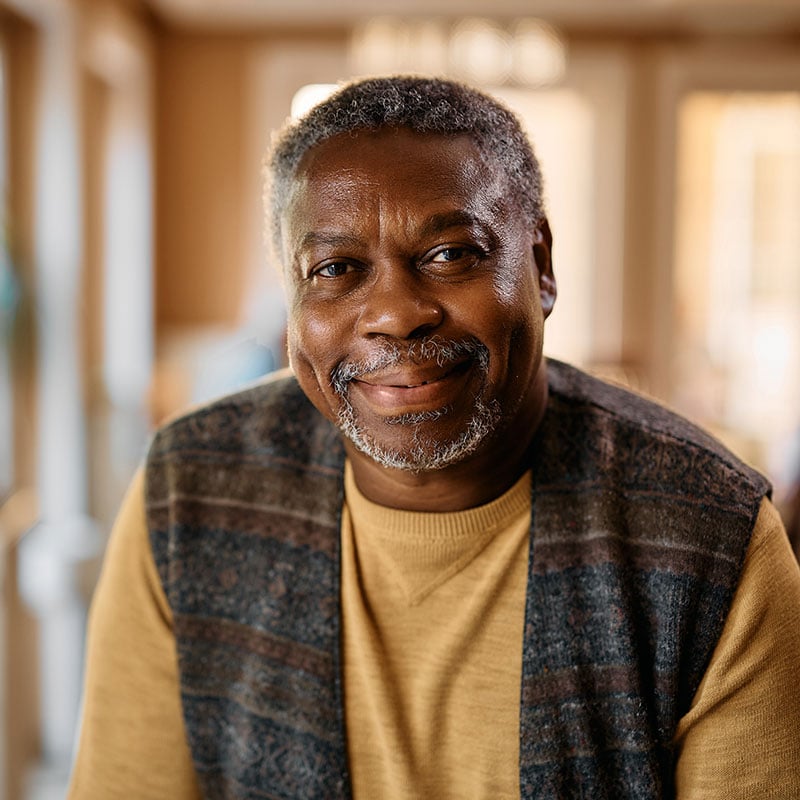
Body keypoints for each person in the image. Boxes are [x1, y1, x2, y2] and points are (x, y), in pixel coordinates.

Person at [67, 76, 800, 800]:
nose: (395, 313)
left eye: (451, 254)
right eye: (336, 268)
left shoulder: (714, 536)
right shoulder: (189, 490)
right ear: (290, 306)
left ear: (540, 266)